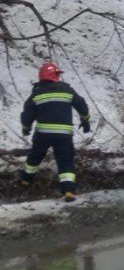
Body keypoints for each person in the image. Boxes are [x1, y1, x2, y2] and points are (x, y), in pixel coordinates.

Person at [19, 62, 91, 202]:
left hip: (42, 135)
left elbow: (28, 114)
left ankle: (26, 181)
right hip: (63, 135)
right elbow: (81, 104)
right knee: (65, 161)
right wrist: (85, 120)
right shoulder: (67, 90)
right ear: (55, 76)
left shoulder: (37, 93)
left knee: (35, 157)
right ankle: (69, 190)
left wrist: (26, 128)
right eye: (58, 74)